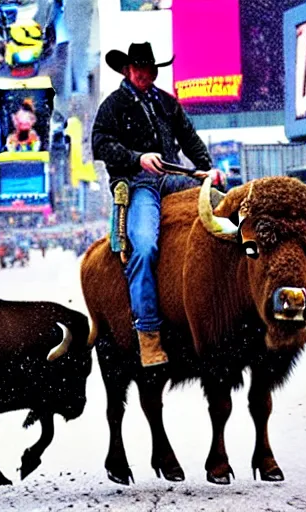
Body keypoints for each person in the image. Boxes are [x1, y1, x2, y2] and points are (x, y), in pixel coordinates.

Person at [92, 42, 213, 367]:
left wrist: (206, 167)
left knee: (220, 209)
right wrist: (137, 159)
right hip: (137, 182)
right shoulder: (112, 106)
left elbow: (189, 137)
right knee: (144, 247)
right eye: (139, 67)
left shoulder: (167, 103)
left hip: (174, 175)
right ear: (126, 70)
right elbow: (101, 144)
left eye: (150, 67)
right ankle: (148, 336)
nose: (146, 73)